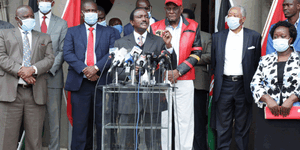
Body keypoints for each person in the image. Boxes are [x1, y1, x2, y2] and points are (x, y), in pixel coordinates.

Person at [113, 7, 173, 150]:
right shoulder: (120, 43)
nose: (144, 19)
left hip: (152, 99)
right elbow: (114, 71)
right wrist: (131, 73)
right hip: (128, 99)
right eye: (140, 17)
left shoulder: (159, 41)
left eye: (146, 16)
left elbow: (170, 64)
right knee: (127, 140)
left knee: (153, 140)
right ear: (132, 22)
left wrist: (169, 46)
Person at [0, 5, 54, 150]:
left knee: (34, 140)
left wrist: (33, 69)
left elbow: (49, 59)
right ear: (17, 19)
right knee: (6, 138)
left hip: (35, 93)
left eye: (31, 16)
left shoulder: (44, 37)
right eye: (26, 17)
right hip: (11, 93)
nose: (30, 19)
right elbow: (1, 57)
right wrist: (21, 71)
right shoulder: (4, 34)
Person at [63, 0, 115, 149]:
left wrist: (96, 68)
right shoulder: (72, 31)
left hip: (101, 82)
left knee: (101, 124)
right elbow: (67, 53)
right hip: (80, 84)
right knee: (80, 125)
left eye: (94, 11)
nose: (92, 13)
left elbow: (113, 54)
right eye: (88, 11)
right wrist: (86, 69)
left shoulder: (109, 32)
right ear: (82, 13)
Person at [151, 0, 203, 149]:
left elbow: (197, 52)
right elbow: (153, 51)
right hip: (163, 79)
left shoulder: (193, 26)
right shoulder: (155, 27)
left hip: (184, 78)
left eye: (175, 8)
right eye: (168, 8)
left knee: (185, 120)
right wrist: (165, 72)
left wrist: (178, 71)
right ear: (165, 9)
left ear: (181, 9)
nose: (171, 12)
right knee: (164, 119)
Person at [210, 6, 261, 150]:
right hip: (224, 85)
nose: (231, 18)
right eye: (229, 15)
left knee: (242, 126)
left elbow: (256, 62)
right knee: (223, 126)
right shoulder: (217, 37)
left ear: (243, 19)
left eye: (235, 15)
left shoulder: (254, 37)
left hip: (243, 85)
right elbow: (214, 63)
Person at [251, 21, 300, 150]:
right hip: (268, 115)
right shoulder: (265, 60)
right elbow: (255, 83)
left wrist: (292, 99)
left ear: (291, 39)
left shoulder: (299, 59)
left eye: (283, 36)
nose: (278, 39)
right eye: (275, 36)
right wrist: (267, 99)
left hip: (294, 115)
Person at [33, 0, 68, 149]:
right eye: (41, 0)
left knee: (54, 119)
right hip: (32, 78)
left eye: (47, 0)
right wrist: (34, 70)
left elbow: (62, 50)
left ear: (52, 3)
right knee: (32, 118)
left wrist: (47, 67)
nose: (44, 2)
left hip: (53, 76)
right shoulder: (29, 19)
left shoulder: (61, 23)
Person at [182, 8, 211, 150]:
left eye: (187, 20)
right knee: (181, 120)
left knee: (198, 120)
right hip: (180, 82)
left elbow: (209, 56)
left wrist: (190, 59)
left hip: (197, 84)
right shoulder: (176, 35)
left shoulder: (206, 36)